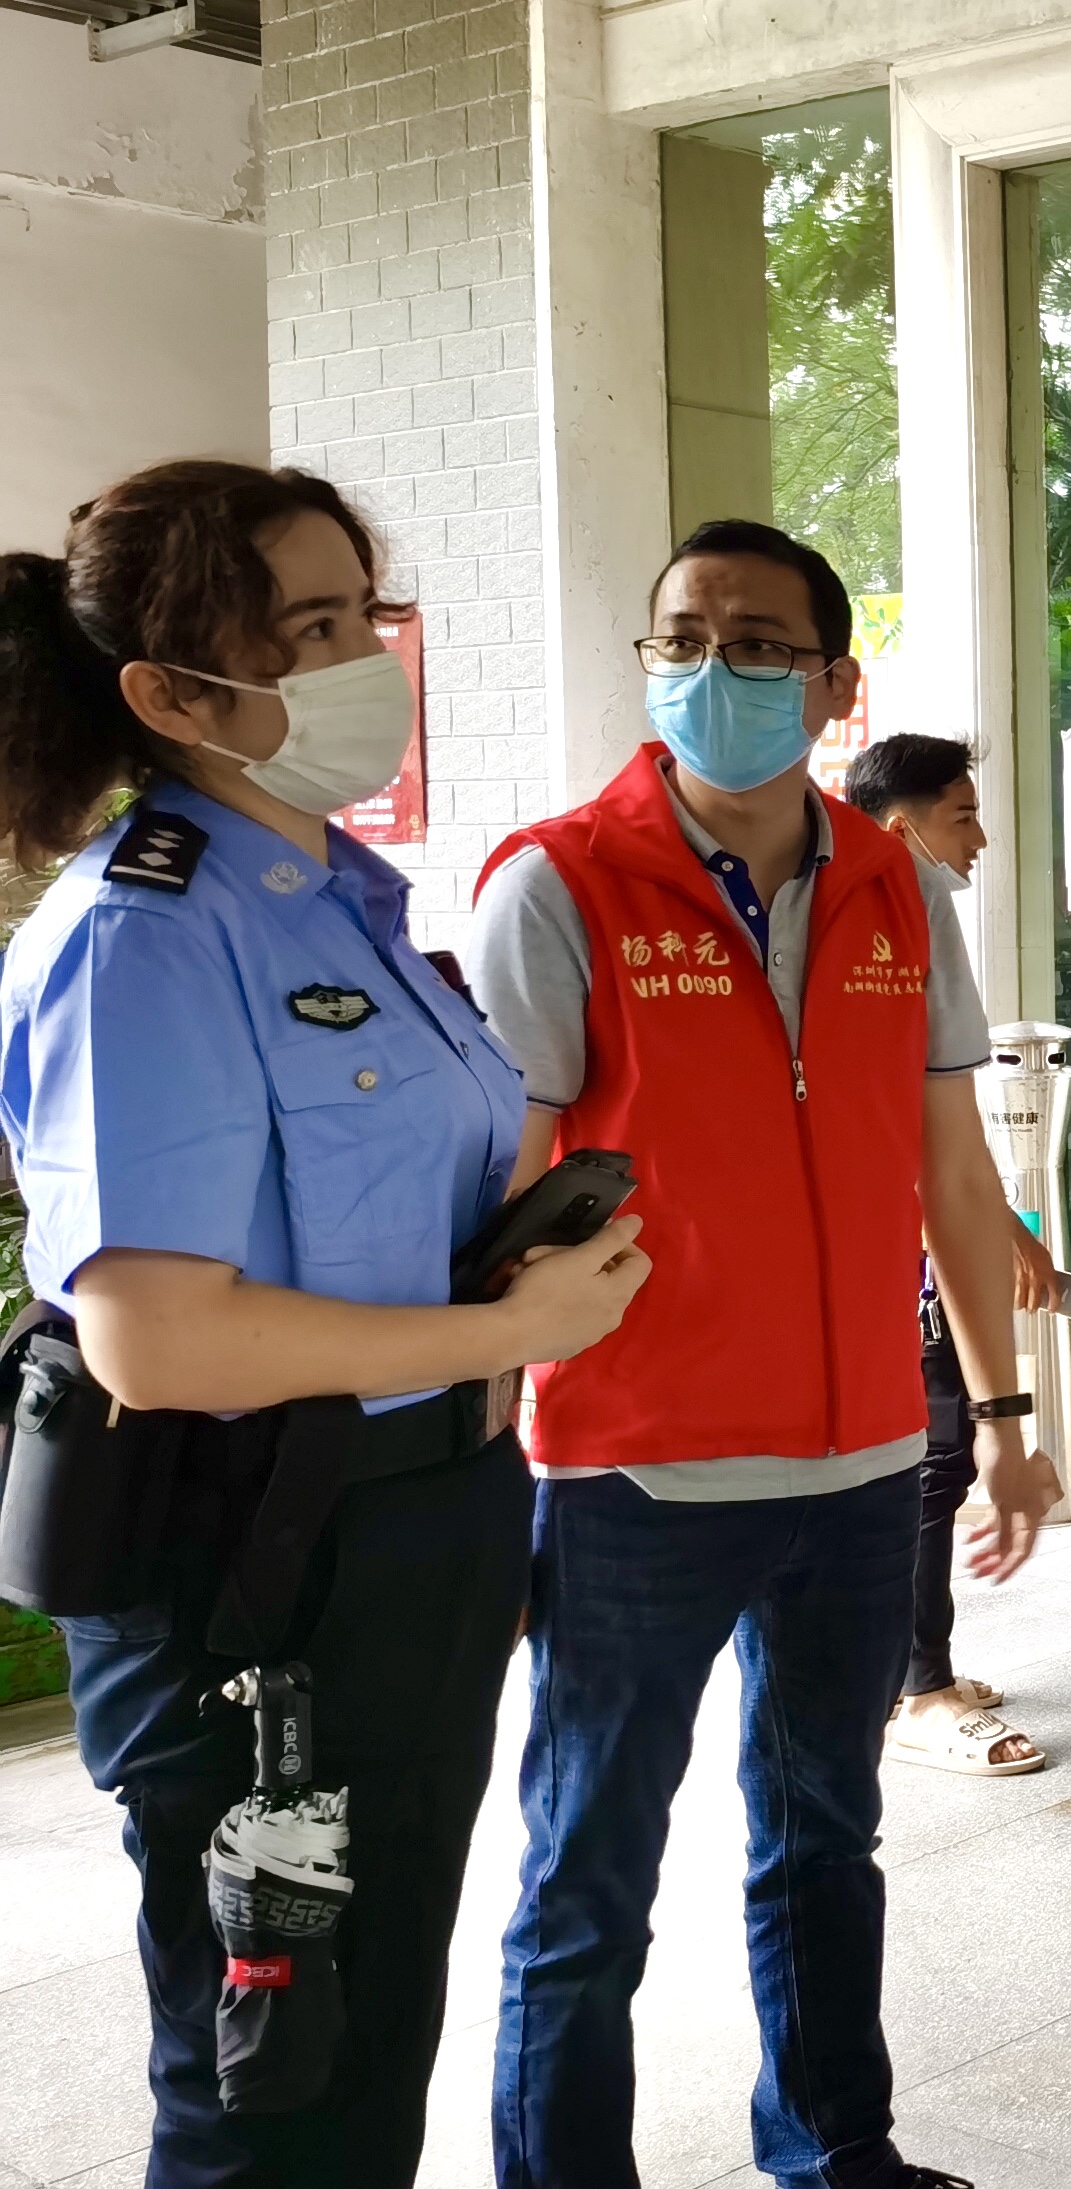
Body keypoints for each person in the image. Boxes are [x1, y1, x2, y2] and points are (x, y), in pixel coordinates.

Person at [0, 460, 649, 2184]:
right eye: (310, 627)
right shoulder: (144, 937)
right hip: (254, 1573)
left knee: (365, 2047)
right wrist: (504, 1335)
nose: (368, 656)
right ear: (171, 695)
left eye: (366, 611)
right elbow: (156, 1337)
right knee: (267, 2088)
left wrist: (513, 1284)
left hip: (409, 1535)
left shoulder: (350, 908)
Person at [465, 519, 1058, 2189]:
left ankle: (836, 2149)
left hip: (860, 1462)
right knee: (587, 1874)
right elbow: (503, 1196)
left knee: (825, 1838)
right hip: (633, 1466)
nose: (709, 668)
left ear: (832, 682)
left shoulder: (897, 886)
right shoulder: (558, 881)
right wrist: (480, 1458)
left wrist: (1002, 1415)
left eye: (754, 643)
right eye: (681, 638)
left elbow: (953, 1174)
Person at [843, 732, 1057, 1778]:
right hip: (887, 1266)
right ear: (902, 828)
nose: (978, 839)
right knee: (933, 1469)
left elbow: (946, 1141)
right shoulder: (889, 915)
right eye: (962, 816)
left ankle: (912, 1670)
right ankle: (917, 1688)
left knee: (937, 1461)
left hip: (911, 1249)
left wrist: (1003, 1232)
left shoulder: (897, 917)